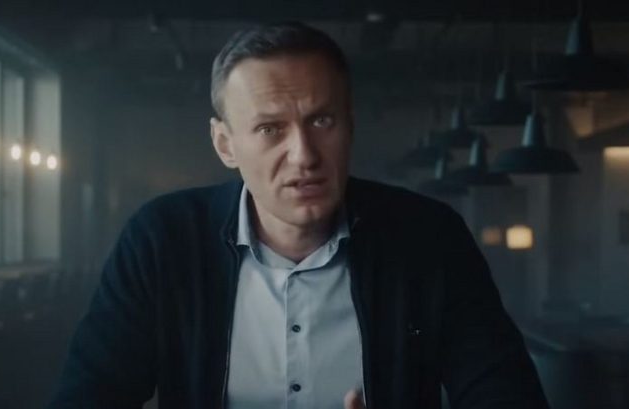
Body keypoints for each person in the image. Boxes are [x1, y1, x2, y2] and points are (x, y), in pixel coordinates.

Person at [49, 22, 550, 409]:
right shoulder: (162, 239)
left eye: (321, 120)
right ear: (225, 144)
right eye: (270, 129)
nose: (304, 155)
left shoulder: (430, 238)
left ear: (349, 125)